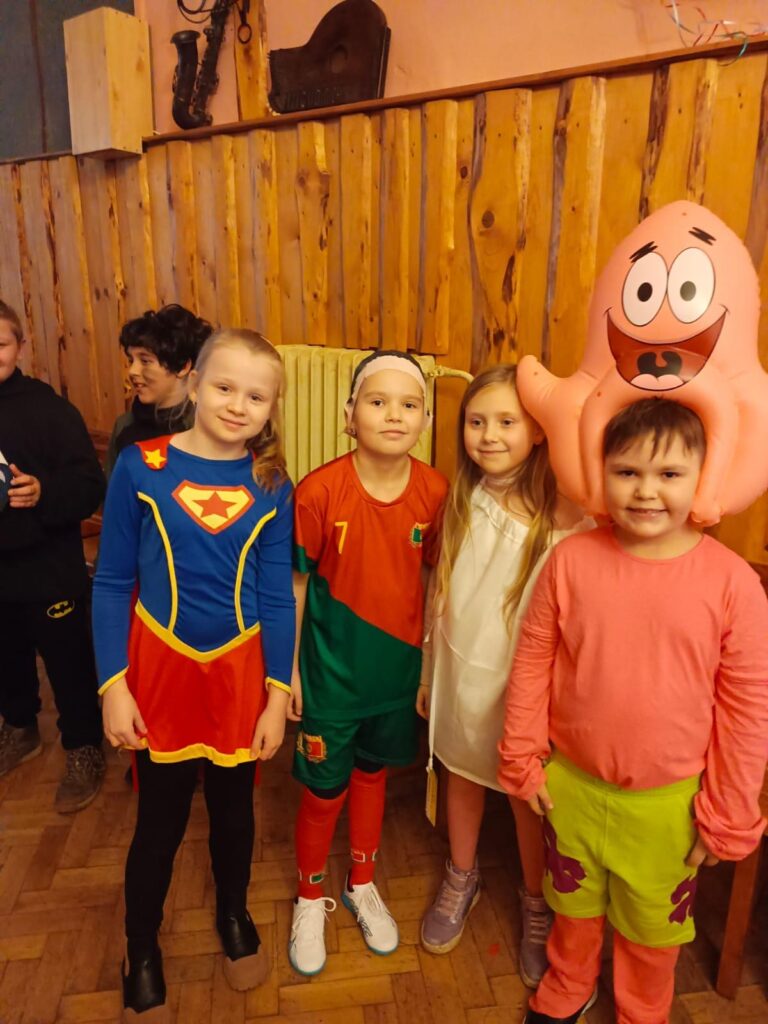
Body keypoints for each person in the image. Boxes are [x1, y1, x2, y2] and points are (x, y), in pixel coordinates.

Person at [498, 399, 768, 1024]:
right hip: (571, 788)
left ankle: (643, 1010)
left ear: (701, 477)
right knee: (572, 908)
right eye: (627, 472)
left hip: (668, 805)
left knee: (652, 934)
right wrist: (521, 756)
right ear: (603, 474)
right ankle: (570, 984)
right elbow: (533, 660)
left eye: (669, 474)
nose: (646, 491)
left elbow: (746, 707)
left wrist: (729, 812)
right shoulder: (570, 560)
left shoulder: (733, 583)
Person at [93, 328, 295, 1022]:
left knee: (235, 813)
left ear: (272, 407)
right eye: (225, 387)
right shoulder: (140, 466)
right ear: (195, 383)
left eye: (256, 396)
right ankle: (140, 947)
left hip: (240, 679)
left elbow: (277, 596)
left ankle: (233, 913)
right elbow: (111, 582)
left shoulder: (272, 483)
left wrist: (277, 695)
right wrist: (113, 685)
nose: (238, 405)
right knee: (160, 820)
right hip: (161, 674)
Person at [417, 365, 591, 985]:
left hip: (523, 687)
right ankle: (460, 875)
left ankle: (536, 902)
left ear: (538, 430)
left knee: (525, 799)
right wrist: (428, 673)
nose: (488, 435)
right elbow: (440, 594)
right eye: (476, 421)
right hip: (462, 673)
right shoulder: (462, 499)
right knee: (463, 776)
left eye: (506, 422)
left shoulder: (565, 515)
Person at [287, 349, 449, 976]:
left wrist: (427, 668)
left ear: (425, 419)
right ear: (350, 413)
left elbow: (433, 581)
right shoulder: (319, 490)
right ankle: (309, 896)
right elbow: (297, 586)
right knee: (323, 790)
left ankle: (361, 882)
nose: (394, 415)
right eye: (378, 402)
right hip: (330, 678)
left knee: (373, 775)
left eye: (409, 404)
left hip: (396, 676)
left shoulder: (435, 491)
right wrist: (289, 672)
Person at [0, 299, 106, 812]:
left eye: (0, 344)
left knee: (68, 663)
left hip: (48, 567)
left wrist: (44, 492)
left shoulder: (50, 410)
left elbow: (89, 484)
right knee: (6, 656)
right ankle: (20, 727)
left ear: (20, 347)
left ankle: (84, 746)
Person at [105, 304, 212, 477]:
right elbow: (114, 489)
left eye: (145, 361)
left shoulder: (206, 427)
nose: (132, 371)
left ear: (183, 367)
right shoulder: (124, 426)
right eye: (131, 360)